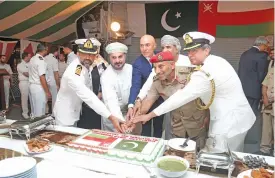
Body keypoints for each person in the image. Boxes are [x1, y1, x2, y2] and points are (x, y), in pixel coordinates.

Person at [132, 31, 256, 152]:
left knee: (218, 160)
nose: (190, 54)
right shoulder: (214, 61)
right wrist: (136, 111)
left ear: (206, 50)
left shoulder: (205, 72)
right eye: (189, 51)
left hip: (229, 121)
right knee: (232, 155)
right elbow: (151, 89)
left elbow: (180, 98)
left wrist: (149, 115)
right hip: (230, 117)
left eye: (194, 51)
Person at [138, 51, 208, 149]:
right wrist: (134, 119)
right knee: (177, 154)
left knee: (197, 153)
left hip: (197, 124)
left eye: (161, 66)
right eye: (155, 68)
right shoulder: (157, 82)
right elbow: (147, 102)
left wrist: (208, 118)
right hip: (177, 126)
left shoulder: (191, 74)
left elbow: (207, 97)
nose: (157, 71)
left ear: (172, 65)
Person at [131, 35, 193, 139]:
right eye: (163, 47)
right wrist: (135, 117)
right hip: (174, 119)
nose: (165, 50)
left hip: (193, 120)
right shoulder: (158, 73)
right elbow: (149, 85)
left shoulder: (190, 65)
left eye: (168, 47)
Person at [53, 39, 123, 132]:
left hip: (73, 113)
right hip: (65, 117)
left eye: (91, 55)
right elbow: (87, 95)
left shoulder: (83, 66)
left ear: (95, 56)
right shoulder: (74, 72)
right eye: (84, 54)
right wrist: (110, 117)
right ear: (78, 54)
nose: (88, 57)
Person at [127, 35, 164, 138]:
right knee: (145, 129)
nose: (144, 48)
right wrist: (131, 104)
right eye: (142, 46)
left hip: (160, 100)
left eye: (147, 45)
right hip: (145, 101)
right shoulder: (137, 64)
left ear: (154, 45)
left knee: (159, 127)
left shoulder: (161, 58)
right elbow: (135, 85)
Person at [238, 36, 269, 153]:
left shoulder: (244, 54)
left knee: (242, 115)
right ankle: (248, 139)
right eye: (266, 47)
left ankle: (241, 138)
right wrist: (263, 92)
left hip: (242, 90)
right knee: (251, 116)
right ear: (262, 45)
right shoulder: (261, 56)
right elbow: (262, 75)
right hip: (254, 92)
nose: (266, 49)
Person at [77, 38, 108, 129]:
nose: (88, 55)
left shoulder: (102, 65)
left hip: (95, 102)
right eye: (86, 53)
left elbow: (105, 82)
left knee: (93, 128)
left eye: (91, 52)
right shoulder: (81, 63)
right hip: (82, 103)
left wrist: (100, 94)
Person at [258, 48, 274, 156]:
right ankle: (264, 151)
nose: (272, 54)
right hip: (267, 103)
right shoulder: (272, 68)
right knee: (266, 129)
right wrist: (265, 98)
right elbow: (265, 84)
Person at [29, 43, 51, 117]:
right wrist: (47, 92)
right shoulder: (41, 60)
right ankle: (38, 127)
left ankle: (33, 125)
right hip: (39, 87)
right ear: (44, 50)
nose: (47, 51)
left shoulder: (32, 58)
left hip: (33, 86)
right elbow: (42, 77)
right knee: (40, 111)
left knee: (34, 109)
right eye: (47, 49)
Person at [44, 45, 60, 112]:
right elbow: (55, 73)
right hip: (52, 80)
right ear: (55, 52)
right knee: (54, 97)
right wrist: (58, 84)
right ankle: (54, 113)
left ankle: (45, 111)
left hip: (45, 80)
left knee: (45, 96)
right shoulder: (54, 60)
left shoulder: (44, 58)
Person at [17, 52, 32, 119]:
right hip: (24, 83)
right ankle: (25, 113)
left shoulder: (30, 64)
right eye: (29, 56)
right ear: (25, 57)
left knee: (32, 98)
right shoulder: (20, 65)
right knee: (24, 98)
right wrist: (34, 74)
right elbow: (26, 74)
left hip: (31, 82)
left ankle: (33, 112)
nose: (30, 57)